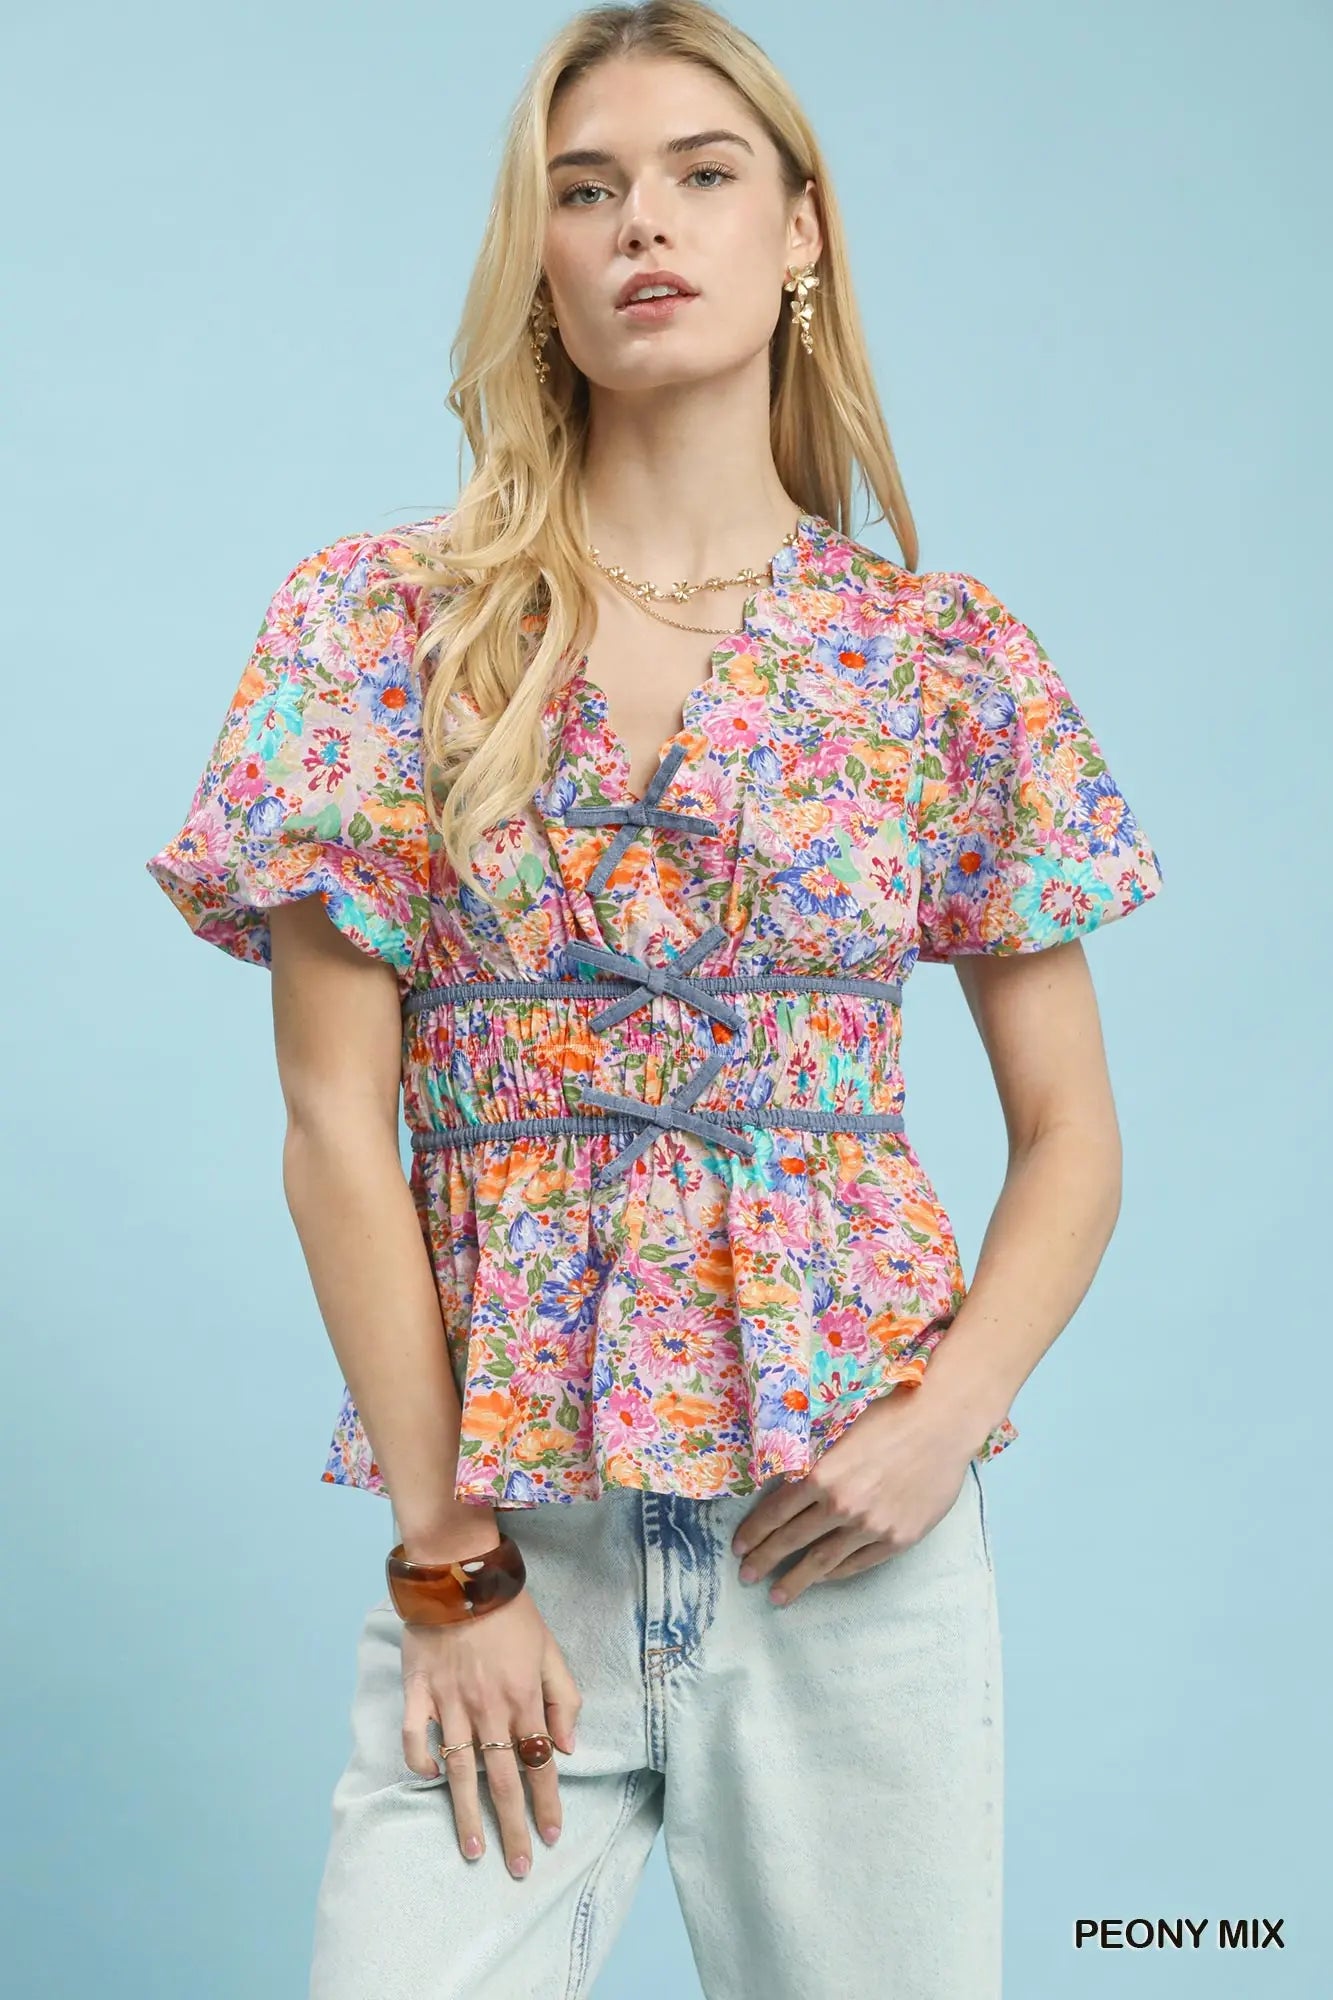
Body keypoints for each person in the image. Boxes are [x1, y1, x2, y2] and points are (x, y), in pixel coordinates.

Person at [144, 4, 1164, 1995]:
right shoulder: (380, 629)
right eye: (585, 189)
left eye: (704, 174)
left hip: (841, 1543)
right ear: (536, 255)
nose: (644, 225)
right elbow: (334, 1122)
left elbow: (1074, 1134)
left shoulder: (935, 660)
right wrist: (449, 1560)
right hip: (510, 1542)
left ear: (802, 233)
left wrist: (941, 1424)